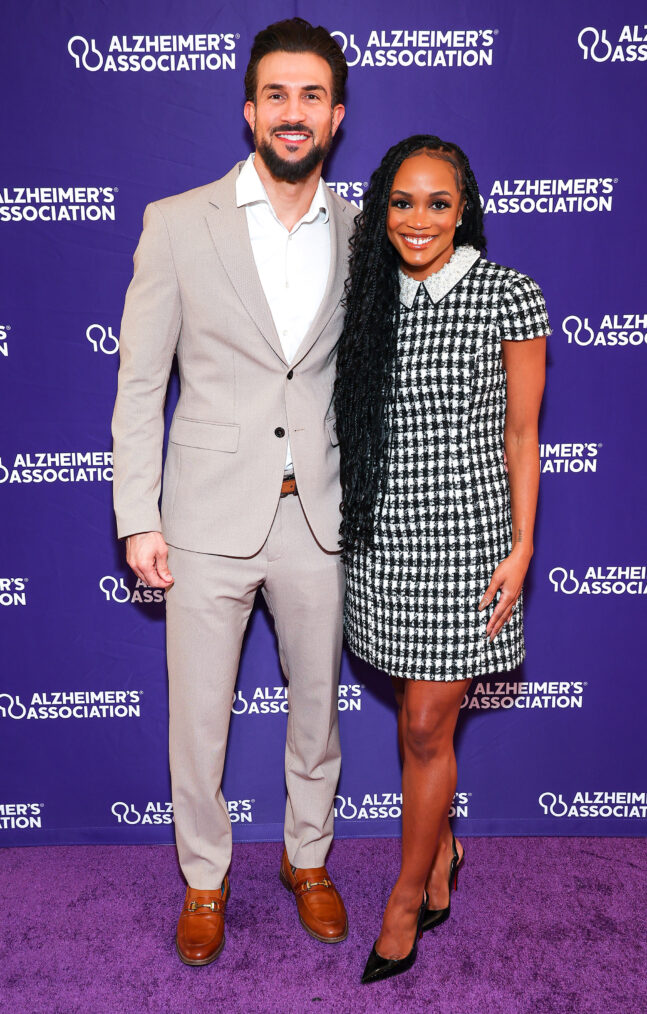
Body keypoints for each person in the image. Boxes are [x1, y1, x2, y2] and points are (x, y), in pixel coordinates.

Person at [112, 18, 353, 965]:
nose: (294, 114)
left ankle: (308, 859)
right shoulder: (177, 222)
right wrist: (139, 515)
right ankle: (204, 878)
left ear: (335, 117)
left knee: (317, 709)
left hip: (321, 514)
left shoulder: (365, 226)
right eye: (277, 96)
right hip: (206, 515)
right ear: (250, 109)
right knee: (198, 717)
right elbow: (140, 381)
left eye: (312, 97)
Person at [334, 135, 548, 983]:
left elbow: (522, 434)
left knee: (425, 724)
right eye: (400, 201)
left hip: (467, 540)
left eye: (436, 202)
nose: (417, 219)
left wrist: (523, 544)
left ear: (464, 211)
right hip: (381, 541)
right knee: (413, 719)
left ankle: (405, 896)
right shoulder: (366, 296)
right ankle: (444, 845)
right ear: (382, 208)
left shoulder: (508, 295)